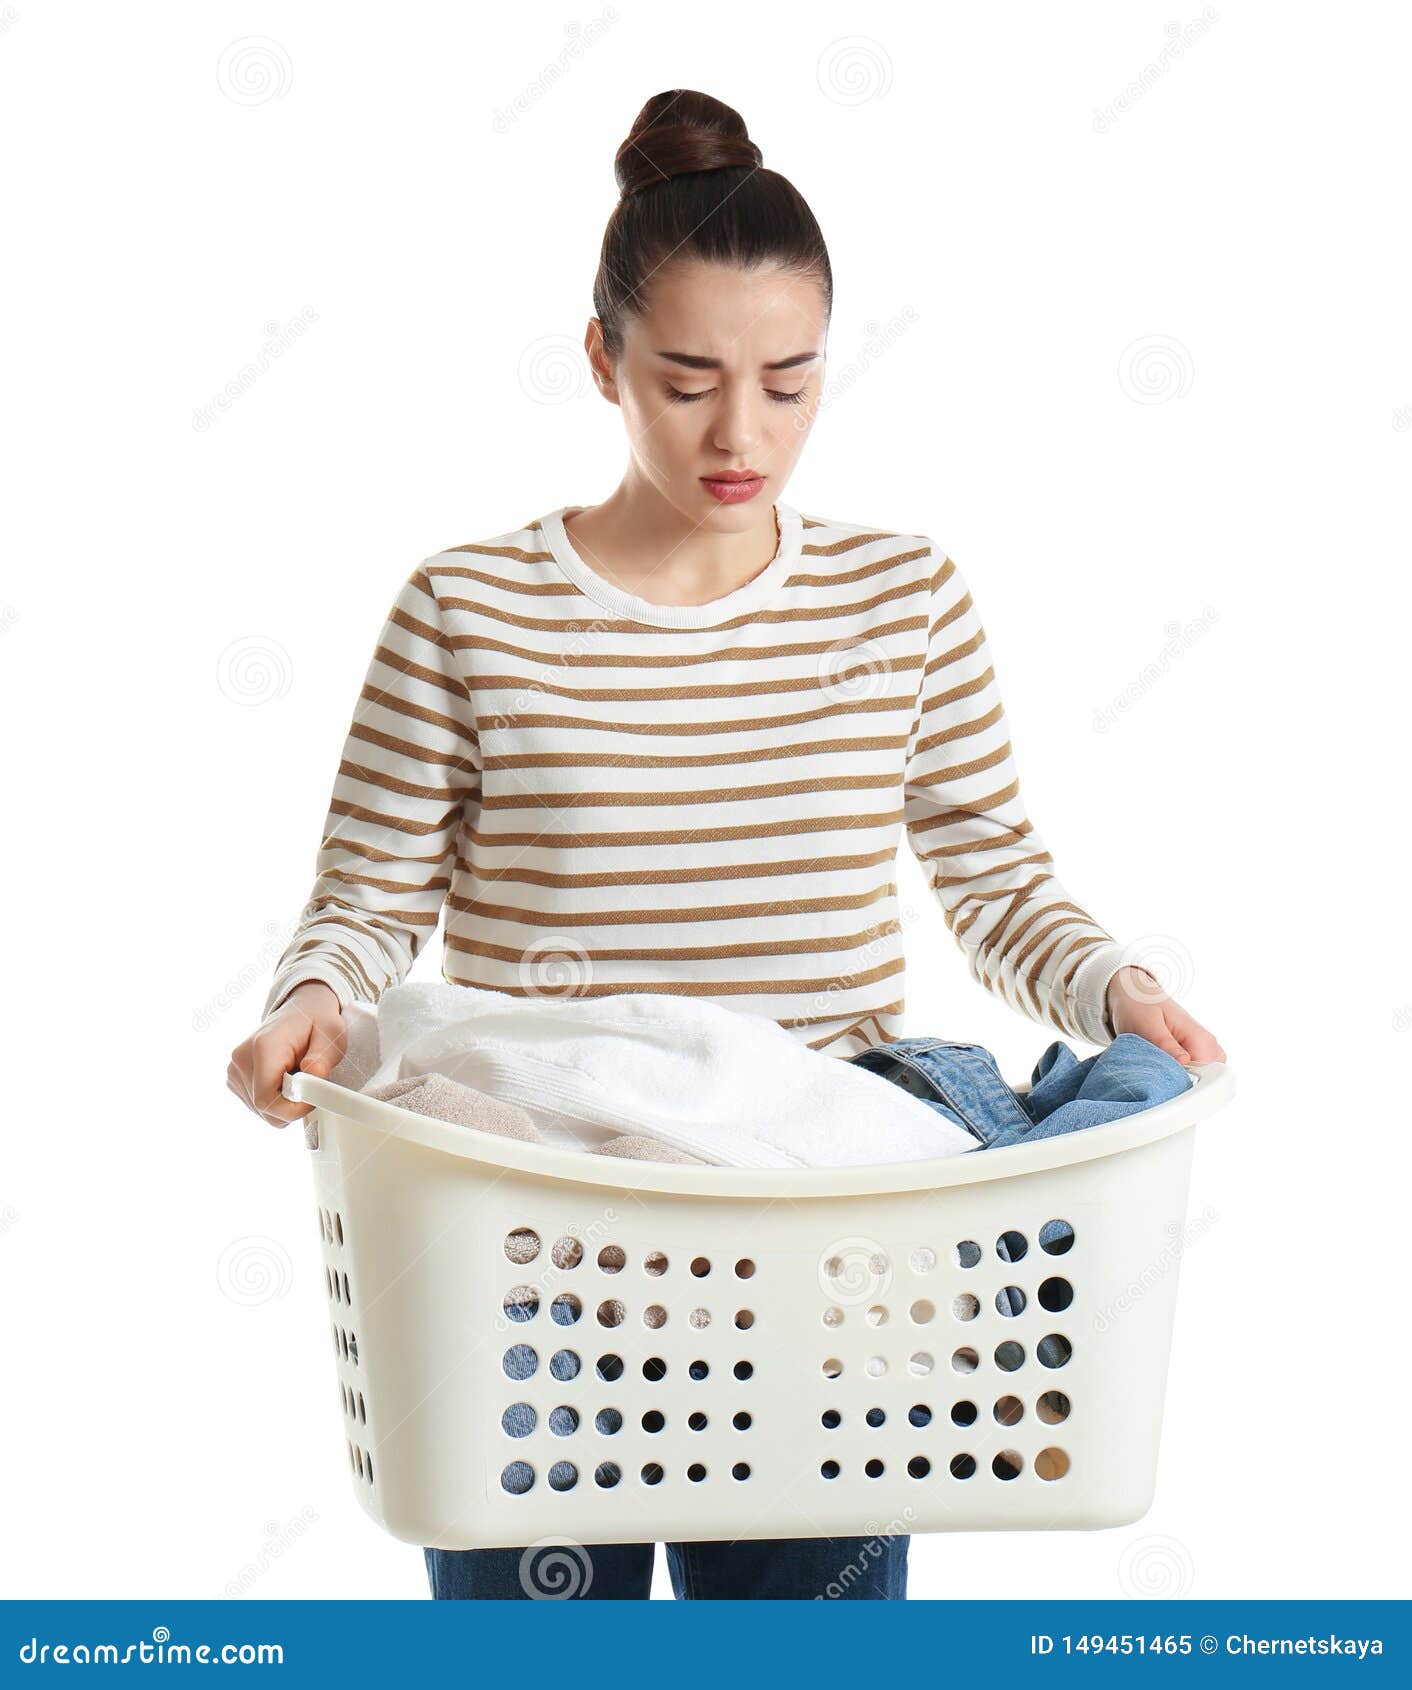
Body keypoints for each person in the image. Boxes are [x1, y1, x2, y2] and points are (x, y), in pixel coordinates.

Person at [227, 88, 1225, 1601]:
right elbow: (367, 899)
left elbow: (995, 879)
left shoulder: (904, 601)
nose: (741, 431)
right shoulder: (468, 609)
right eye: (688, 377)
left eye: (791, 380)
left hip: (817, 1243)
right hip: (539, 1242)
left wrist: (1115, 991)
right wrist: (312, 996)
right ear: (601, 358)